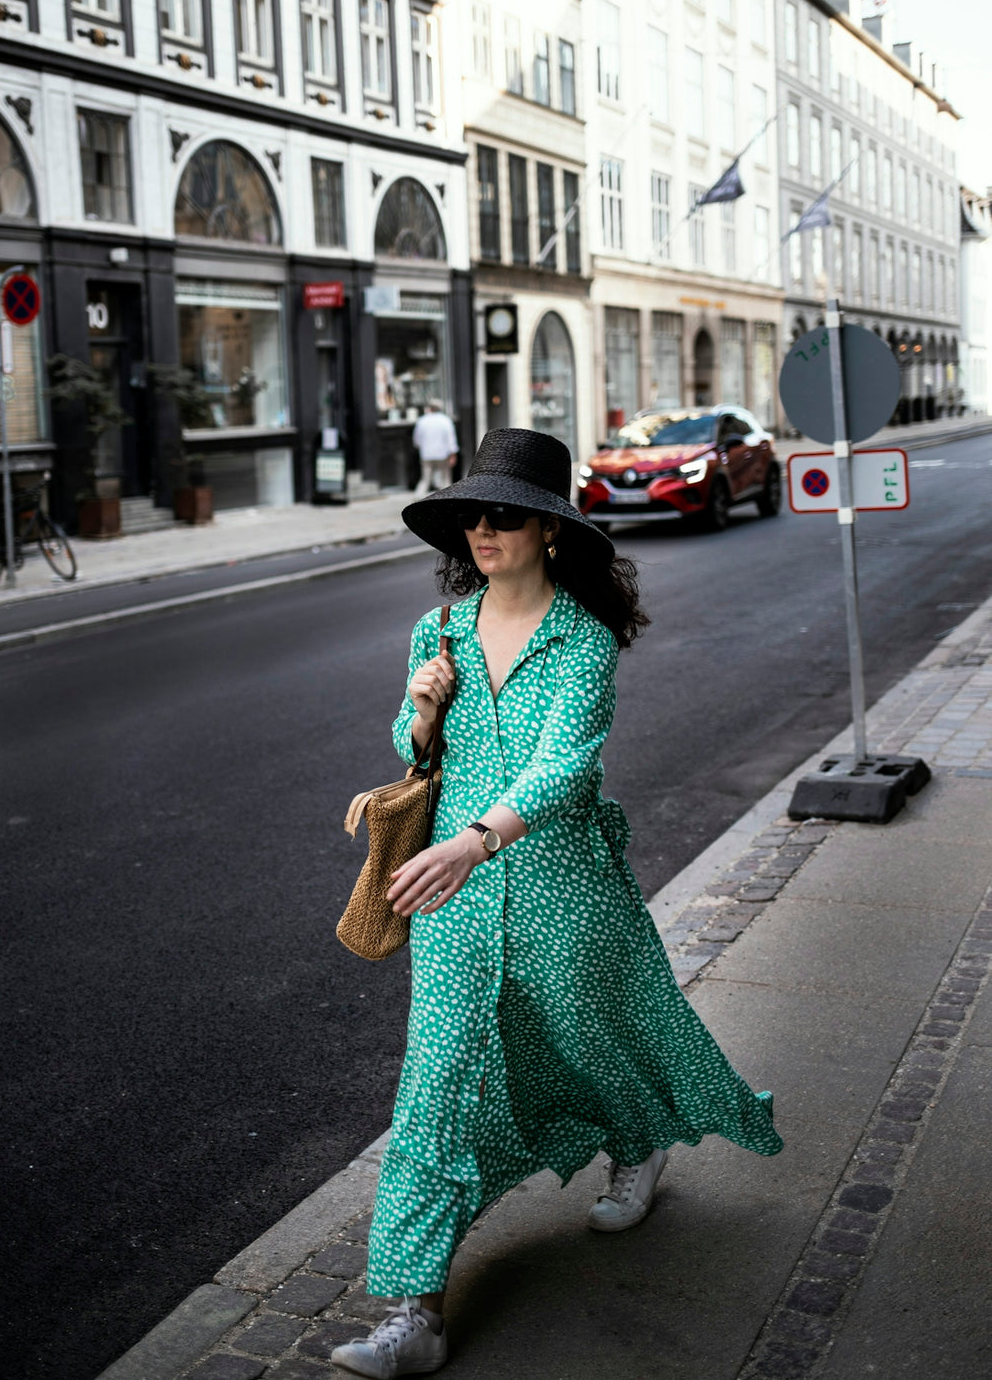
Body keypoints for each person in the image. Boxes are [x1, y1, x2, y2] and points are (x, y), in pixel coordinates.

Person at [331, 428, 782, 1378]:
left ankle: (641, 1141)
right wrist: (418, 709)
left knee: (592, 1035)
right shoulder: (438, 630)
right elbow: (419, 755)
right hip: (452, 904)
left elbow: (566, 764)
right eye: (471, 518)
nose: (482, 532)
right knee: (437, 1085)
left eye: (503, 517)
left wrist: (474, 839)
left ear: (547, 530)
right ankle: (414, 1314)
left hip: (558, 885)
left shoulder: (581, 638)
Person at [411, 401, 458, 498]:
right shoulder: (445, 420)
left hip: (426, 454)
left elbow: (417, 439)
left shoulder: (422, 421)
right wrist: (453, 453)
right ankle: (447, 499)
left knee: (425, 478)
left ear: (430, 408)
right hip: (442, 454)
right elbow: (451, 438)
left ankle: (417, 498)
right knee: (445, 479)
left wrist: (420, 447)